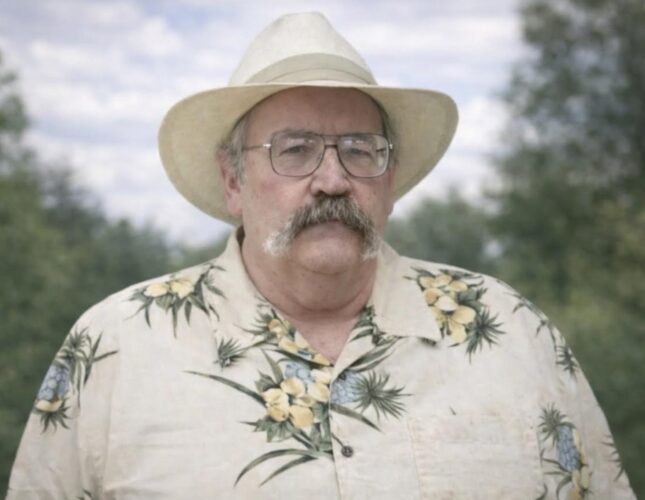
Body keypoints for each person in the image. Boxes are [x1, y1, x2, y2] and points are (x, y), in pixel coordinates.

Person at [7, 12, 635, 500]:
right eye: (295, 149)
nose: (332, 179)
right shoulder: (114, 349)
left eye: (360, 150)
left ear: (389, 180)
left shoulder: (510, 332)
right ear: (232, 181)